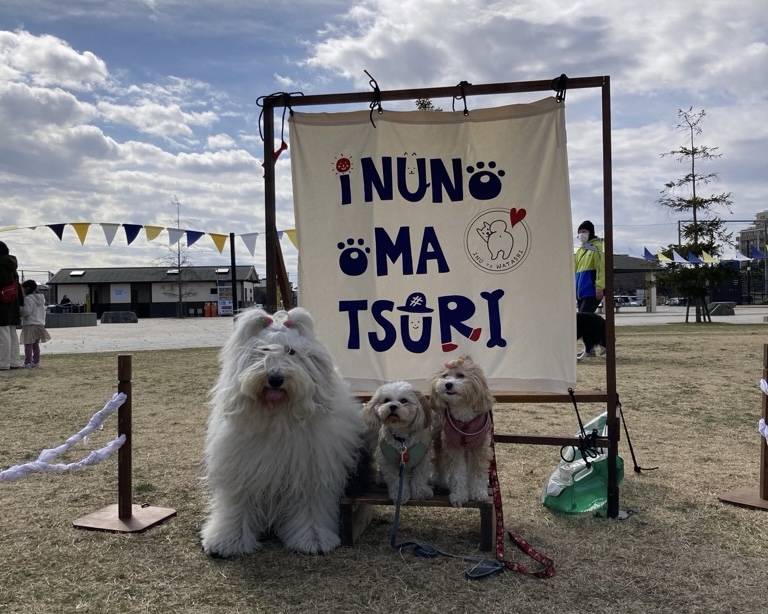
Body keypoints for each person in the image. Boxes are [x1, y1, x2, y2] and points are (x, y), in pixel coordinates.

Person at [574, 221, 606, 358]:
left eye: (584, 231)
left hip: (591, 290)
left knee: (584, 321)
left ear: (591, 232)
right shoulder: (581, 250)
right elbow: (575, 271)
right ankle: (598, 345)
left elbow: (601, 268)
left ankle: (592, 347)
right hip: (580, 291)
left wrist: (600, 286)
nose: (581, 234)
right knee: (583, 320)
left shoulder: (597, 247)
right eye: (580, 232)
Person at [0, 240, 23, 371]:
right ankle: (14, 361)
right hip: (12, 303)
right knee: (12, 333)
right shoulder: (12, 266)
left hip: (2, 304)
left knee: (2, 334)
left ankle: (3, 363)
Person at [20, 279, 51, 368]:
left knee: (28, 344)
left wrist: (19, 309)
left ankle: (27, 362)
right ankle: (36, 361)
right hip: (39, 324)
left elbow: (26, 311)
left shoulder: (28, 299)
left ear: (27, 288)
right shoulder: (41, 299)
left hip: (30, 325)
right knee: (35, 345)